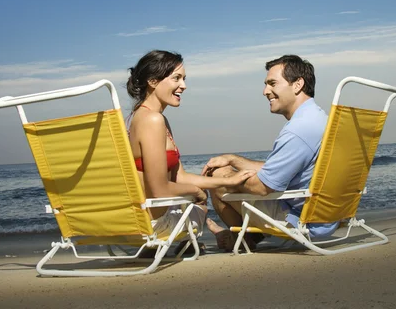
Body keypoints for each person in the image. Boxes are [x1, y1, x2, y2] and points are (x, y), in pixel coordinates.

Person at [202, 54, 339, 251]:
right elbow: (281, 169)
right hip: (329, 217)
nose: (265, 91)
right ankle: (245, 235)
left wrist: (223, 177)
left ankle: (242, 239)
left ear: (297, 84)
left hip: (305, 221)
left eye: (272, 83)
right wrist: (233, 160)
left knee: (218, 176)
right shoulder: (319, 119)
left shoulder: (298, 130)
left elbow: (262, 188)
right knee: (227, 170)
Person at [126, 50, 254, 251]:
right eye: (176, 78)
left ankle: (179, 246)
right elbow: (159, 190)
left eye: (184, 79)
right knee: (200, 205)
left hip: (139, 220)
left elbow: (180, 176)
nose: (183, 86)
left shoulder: (145, 117)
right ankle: (178, 244)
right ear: (152, 81)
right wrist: (197, 192)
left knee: (198, 195)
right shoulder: (152, 120)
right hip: (153, 226)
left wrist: (226, 181)